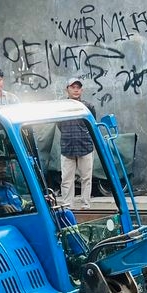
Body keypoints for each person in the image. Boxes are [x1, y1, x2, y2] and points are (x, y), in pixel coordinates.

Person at [60, 76, 98, 209]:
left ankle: (85, 206)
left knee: (86, 178)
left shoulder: (88, 107)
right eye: (73, 87)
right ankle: (67, 207)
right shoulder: (61, 107)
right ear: (67, 89)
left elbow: (92, 125)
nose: (76, 90)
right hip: (67, 147)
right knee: (66, 180)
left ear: (82, 90)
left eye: (78, 88)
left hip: (85, 146)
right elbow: (59, 125)